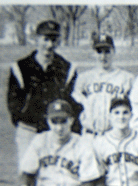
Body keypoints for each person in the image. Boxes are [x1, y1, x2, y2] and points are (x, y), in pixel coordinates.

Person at [7, 20, 82, 167]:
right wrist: (27, 121)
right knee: (28, 173)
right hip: (29, 130)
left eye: (53, 40)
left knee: (57, 175)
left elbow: (72, 103)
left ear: (58, 41)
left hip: (56, 131)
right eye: (45, 39)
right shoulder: (21, 67)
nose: (49, 45)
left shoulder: (66, 68)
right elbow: (14, 103)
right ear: (36, 39)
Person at [72, 34, 134, 136]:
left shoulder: (126, 78)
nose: (103, 56)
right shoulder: (83, 78)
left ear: (114, 51)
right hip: (89, 135)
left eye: (107, 51)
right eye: (99, 52)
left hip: (114, 135)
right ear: (93, 53)